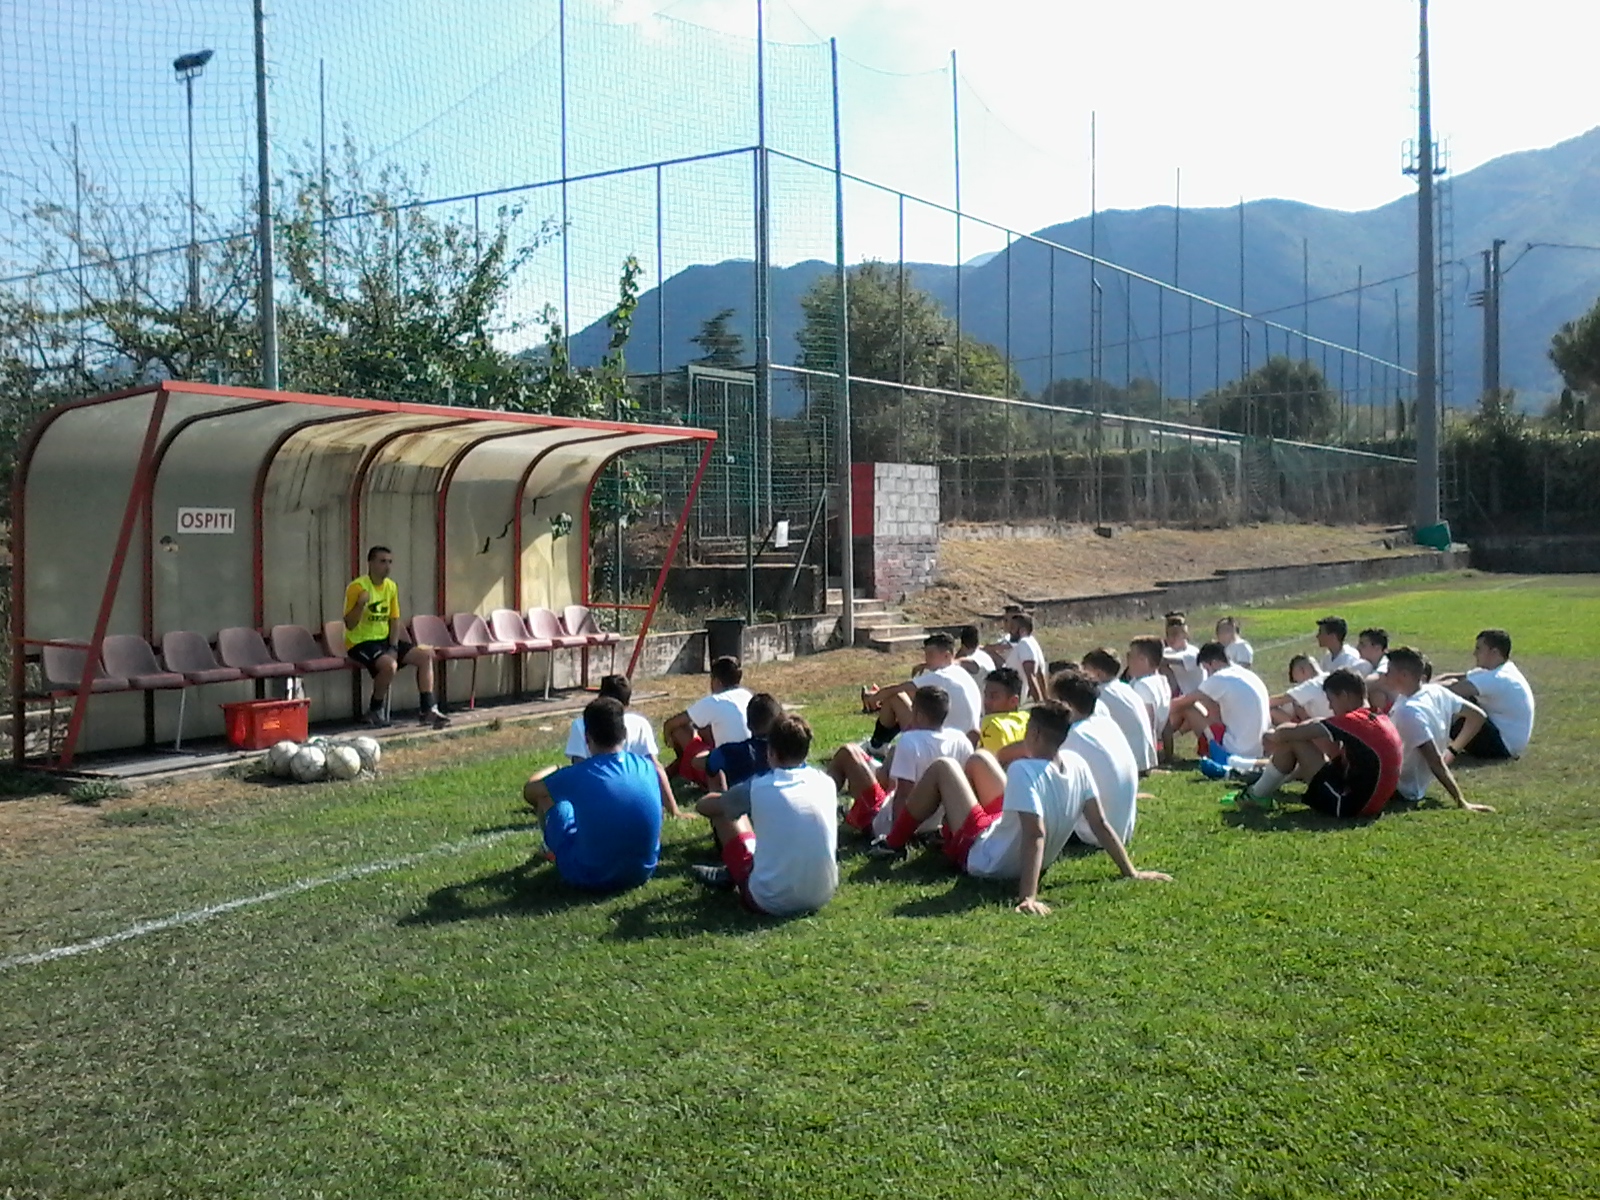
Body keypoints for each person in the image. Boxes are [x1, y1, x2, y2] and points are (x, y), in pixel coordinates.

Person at [866, 701, 1172, 914]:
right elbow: (1100, 823)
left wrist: (1027, 896)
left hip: (985, 859)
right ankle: (933, 828)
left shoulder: (1022, 770)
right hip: (1004, 839)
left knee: (944, 768)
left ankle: (893, 843)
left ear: (1036, 734)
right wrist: (1130, 871)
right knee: (981, 759)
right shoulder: (1077, 765)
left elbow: (1034, 833)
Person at [690, 714, 839, 916]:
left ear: (771, 752)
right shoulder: (825, 782)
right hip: (823, 893)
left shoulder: (758, 787)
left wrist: (715, 797)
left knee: (726, 811)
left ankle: (732, 872)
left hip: (770, 900)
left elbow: (705, 807)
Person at [523, 697, 667, 891]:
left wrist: (554, 771)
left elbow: (530, 791)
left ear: (587, 737)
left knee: (556, 801)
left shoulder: (577, 774)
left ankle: (551, 850)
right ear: (624, 734)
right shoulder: (646, 766)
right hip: (642, 871)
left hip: (590, 877)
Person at [1231, 669, 1404, 817]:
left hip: (1348, 805)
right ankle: (1261, 784)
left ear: (1344, 696)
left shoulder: (1353, 721)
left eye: (1331, 700)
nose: (1330, 707)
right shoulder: (1377, 716)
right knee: (1319, 740)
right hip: (1372, 803)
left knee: (1294, 742)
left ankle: (1255, 795)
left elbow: (1288, 733)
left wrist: (1275, 735)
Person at [831, 685, 974, 835]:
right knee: (891, 755)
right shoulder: (960, 740)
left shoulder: (910, 741)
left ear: (919, 715)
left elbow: (903, 795)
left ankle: (822, 805)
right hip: (936, 823)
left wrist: (895, 837)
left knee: (848, 752)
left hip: (894, 824)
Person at [342, 545, 449, 729]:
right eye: (382, 562)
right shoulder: (357, 587)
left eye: (390, 562)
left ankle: (428, 709)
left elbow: (394, 620)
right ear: (371, 563)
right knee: (389, 666)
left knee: (425, 656)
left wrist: (392, 647)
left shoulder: (391, 587)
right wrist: (360, 604)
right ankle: (375, 710)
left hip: (383, 640)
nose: (387, 566)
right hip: (360, 642)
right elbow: (350, 624)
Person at [1384, 647, 1496, 812]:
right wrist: (1453, 750)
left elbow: (1435, 761)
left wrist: (1461, 802)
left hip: (1401, 788)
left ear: (1404, 676)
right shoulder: (1435, 691)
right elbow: (1477, 716)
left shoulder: (1409, 711)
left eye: (1389, 671)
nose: (1385, 675)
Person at [564, 673, 686, 819]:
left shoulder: (581, 724)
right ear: (627, 704)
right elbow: (656, 767)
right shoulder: (640, 724)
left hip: (598, 800)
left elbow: (578, 769)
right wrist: (674, 809)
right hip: (637, 799)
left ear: (599, 698)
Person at [1051, 666, 1140, 848]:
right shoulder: (1107, 725)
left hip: (1091, 835)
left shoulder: (1072, 735)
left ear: (1064, 704)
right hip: (1121, 829)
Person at [860, 632, 982, 749]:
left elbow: (898, 689)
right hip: (965, 741)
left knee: (895, 697)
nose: (926, 659)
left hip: (942, 741)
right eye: (926, 654)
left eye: (930, 655)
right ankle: (882, 743)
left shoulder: (941, 676)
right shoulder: (960, 673)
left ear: (946, 656)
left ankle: (876, 745)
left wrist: (874, 697)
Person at [1436, 628, 1535, 760]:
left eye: (1479, 649)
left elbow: (1452, 690)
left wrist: (1419, 690)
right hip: (1504, 739)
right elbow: (1451, 677)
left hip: (1502, 746)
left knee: (1446, 702)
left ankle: (1424, 747)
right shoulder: (1496, 670)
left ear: (1494, 652)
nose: (1474, 653)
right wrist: (1425, 685)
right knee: (1456, 701)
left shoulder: (1498, 678)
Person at [1169, 641, 1272, 764]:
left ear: (1214, 663)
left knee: (1188, 707)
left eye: (1206, 669)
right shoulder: (1248, 675)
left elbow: (1181, 703)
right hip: (1259, 749)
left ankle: (1162, 742)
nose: (1207, 674)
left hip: (1236, 749)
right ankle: (1168, 739)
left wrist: (1158, 711)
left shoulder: (1220, 678)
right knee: (1205, 702)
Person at [663, 656, 753, 788]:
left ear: (716, 681)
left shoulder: (715, 701)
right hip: (749, 762)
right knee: (704, 729)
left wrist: (667, 738)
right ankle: (675, 769)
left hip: (727, 769)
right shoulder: (747, 695)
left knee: (680, 731)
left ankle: (680, 769)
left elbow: (672, 723)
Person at [1080, 647, 1157, 775]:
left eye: (1086, 671)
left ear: (1099, 674)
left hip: (1128, 763)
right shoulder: (1125, 689)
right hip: (1143, 759)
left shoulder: (1100, 694)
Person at [707, 692, 782, 790]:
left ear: (748, 725)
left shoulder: (728, 752)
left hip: (741, 801)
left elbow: (709, 763)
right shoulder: (786, 751)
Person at [1126, 636, 1173, 763]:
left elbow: (1148, 724)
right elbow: (1167, 724)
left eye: (1130, 655)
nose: (1127, 660)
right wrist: (1169, 754)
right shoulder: (1162, 681)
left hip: (1135, 749)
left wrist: (1151, 762)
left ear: (1143, 660)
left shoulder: (1142, 686)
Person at [986, 611, 1046, 702]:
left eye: (1013, 628)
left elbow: (1031, 675)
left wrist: (1039, 702)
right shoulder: (1032, 643)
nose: (1010, 631)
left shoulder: (1024, 643)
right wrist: (1045, 699)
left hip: (1013, 699)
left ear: (1022, 630)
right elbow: (1039, 674)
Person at [978, 666, 1029, 757]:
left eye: (994, 696)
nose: (986, 701)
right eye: (986, 695)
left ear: (1013, 701)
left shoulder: (991, 723)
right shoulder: (1028, 719)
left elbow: (991, 766)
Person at [1268, 654, 1332, 726]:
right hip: (1336, 724)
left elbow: (1275, 701)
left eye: (1297, 681)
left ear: (1303, 670)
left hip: (1325, 729)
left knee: (1272, 711)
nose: (1298, 685)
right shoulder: (1330, 675)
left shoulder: (1310, 685)